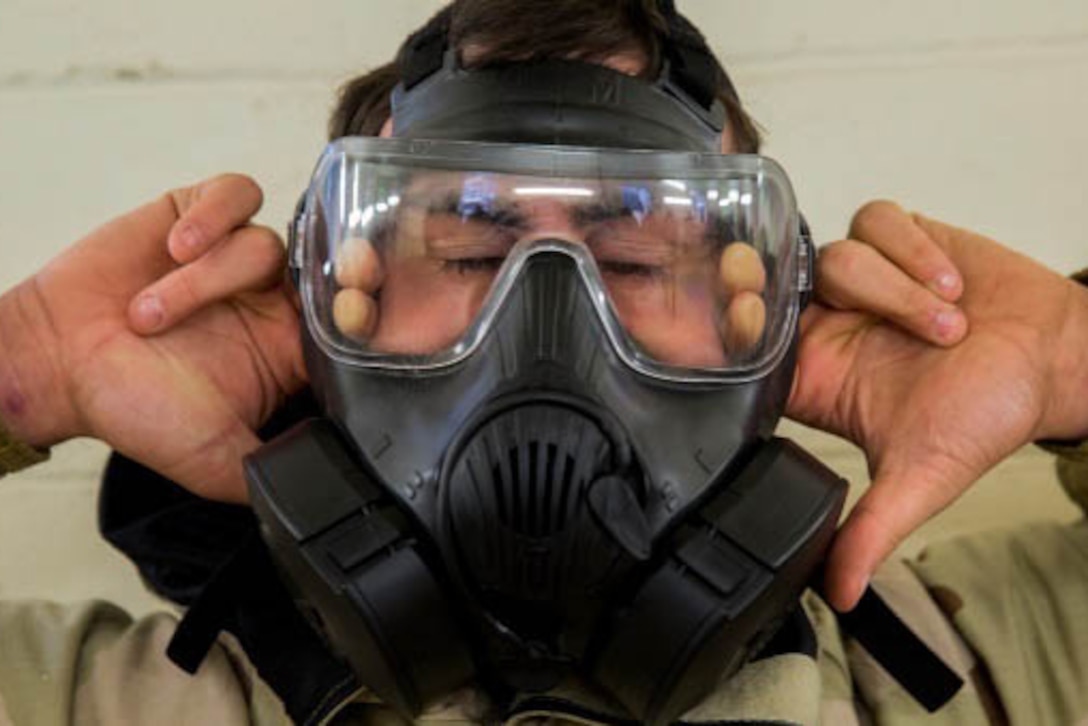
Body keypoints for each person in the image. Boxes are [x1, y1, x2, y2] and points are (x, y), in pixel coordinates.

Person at [0, 1, 1086, 723]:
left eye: (632, 250)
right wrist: (23, 368)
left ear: (766, 321)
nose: (550, 333)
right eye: (471, 242)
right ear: (330, 310)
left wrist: (1071, 366)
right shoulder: (99, 699)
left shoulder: (990, 662)